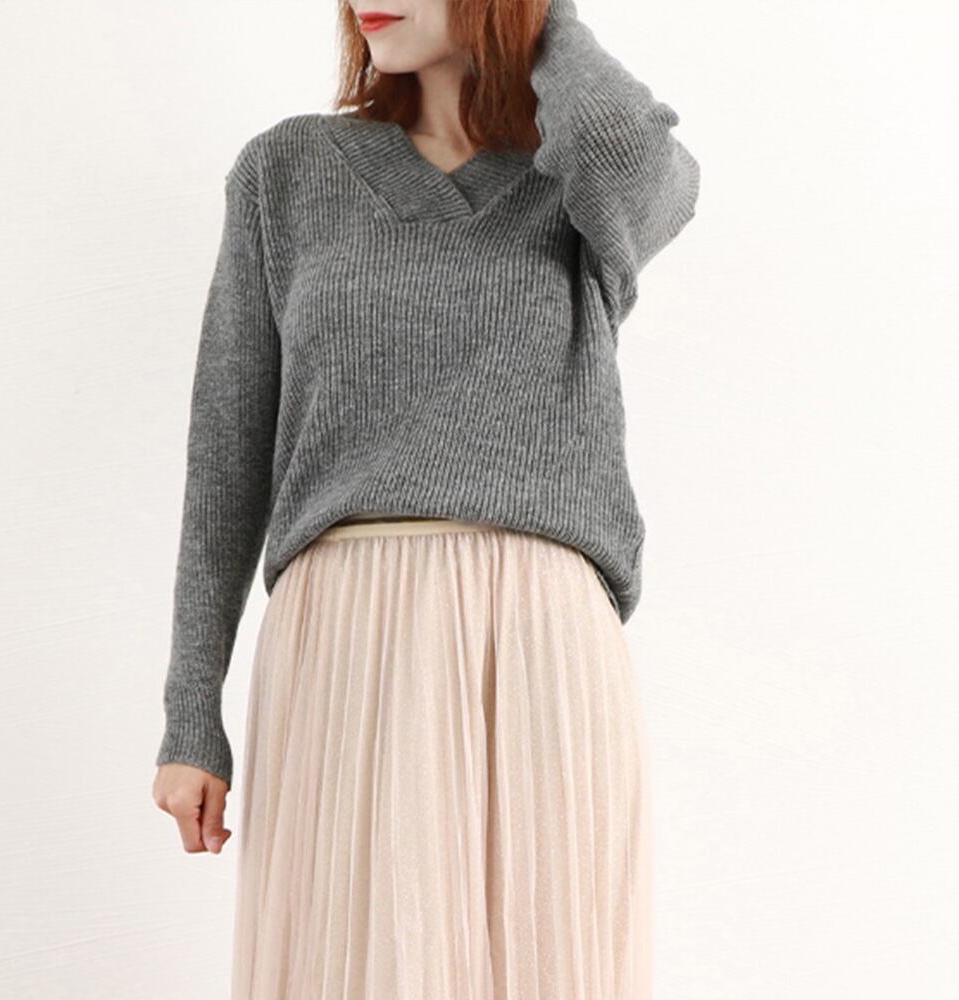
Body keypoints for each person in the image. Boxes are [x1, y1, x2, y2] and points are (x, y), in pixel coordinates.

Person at [152, 0, 700, 996]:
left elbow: (625, 142)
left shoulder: (582, 184)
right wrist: (192, 712)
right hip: (342, 632)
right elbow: (227, 452)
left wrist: (533, 22)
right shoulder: (287, 172)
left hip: (536, 639)